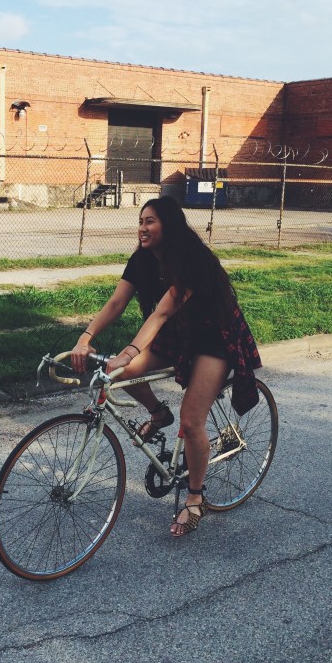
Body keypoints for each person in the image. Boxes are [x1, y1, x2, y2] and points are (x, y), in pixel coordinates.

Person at [70, 195, 262, 538]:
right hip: (177, 334)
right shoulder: (142, 259)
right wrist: (86, 338)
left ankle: (194, 498)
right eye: (140, 221)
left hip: (212, 337)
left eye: (150, 222)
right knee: (120, 376)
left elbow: (160, 312)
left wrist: (127, 352)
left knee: (191, 423)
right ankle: (159, 414)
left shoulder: (190, 260)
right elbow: (116, 302)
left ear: (168, 226)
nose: (142, 228)